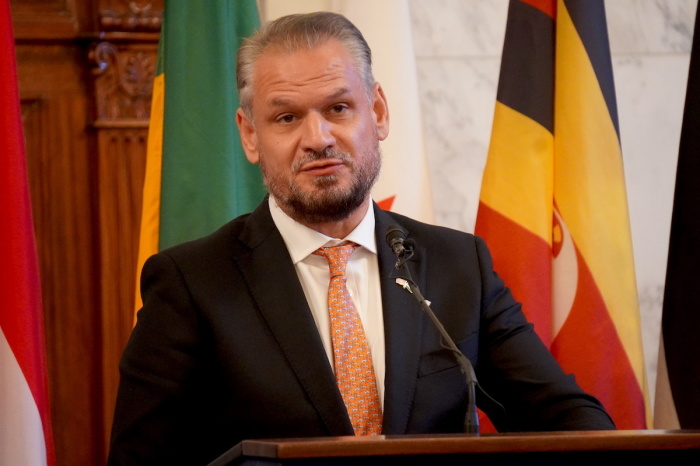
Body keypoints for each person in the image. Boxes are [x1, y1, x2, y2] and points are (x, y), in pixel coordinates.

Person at [108, 11, 615, 465]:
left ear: (378, 112)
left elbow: (567, 419)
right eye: (286, 118)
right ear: (248, 135)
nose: (318, 138)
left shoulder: (458, 264)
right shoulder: (192, 283)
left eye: (338, 108)